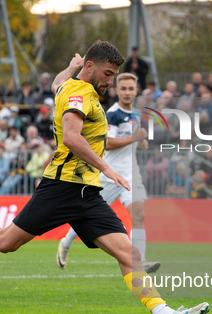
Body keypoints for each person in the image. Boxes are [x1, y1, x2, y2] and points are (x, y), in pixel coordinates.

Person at [0, 41, 209, 314]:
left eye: (114, 75)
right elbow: (72, 138)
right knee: (4, 241)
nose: (111, 82)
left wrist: (69, 68)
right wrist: (107, 168)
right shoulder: (80, 93)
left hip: (87, 194)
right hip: (61, 188)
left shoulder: (72, 85)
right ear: (91, 67)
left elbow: (57, 84)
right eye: (108, 74)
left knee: (128, 254)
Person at [57, 72, 159, 273]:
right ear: (117, 90)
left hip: (131, 174)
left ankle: (141, 260)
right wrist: (134, 138)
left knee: (138, 215)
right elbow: (109, 144)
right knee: (85, 213)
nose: (128, 92)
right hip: (110, 175)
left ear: (136, 90)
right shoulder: (111, 114)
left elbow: (133, 139)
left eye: (131, 88)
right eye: (124, 88)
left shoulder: (136, 115)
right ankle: (66, 242)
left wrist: (141, 141)